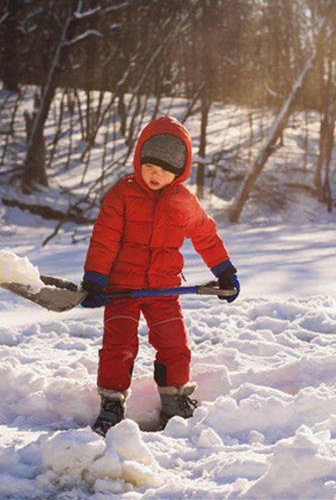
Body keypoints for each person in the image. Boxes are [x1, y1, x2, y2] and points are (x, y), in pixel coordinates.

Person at [81, 116, 240, 436]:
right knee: (118, 345)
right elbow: (104, 237)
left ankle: (173, 401)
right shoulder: (122, 194)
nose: (156, 175)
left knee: (175, 344)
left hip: (164, 288)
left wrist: (224, 271)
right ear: (139, 160)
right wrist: (95, 278)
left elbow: (206, 236)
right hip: (121, 288)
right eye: (150, 167)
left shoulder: (184, 200)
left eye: (165, 170)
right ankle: (111, 404)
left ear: (179, 172)